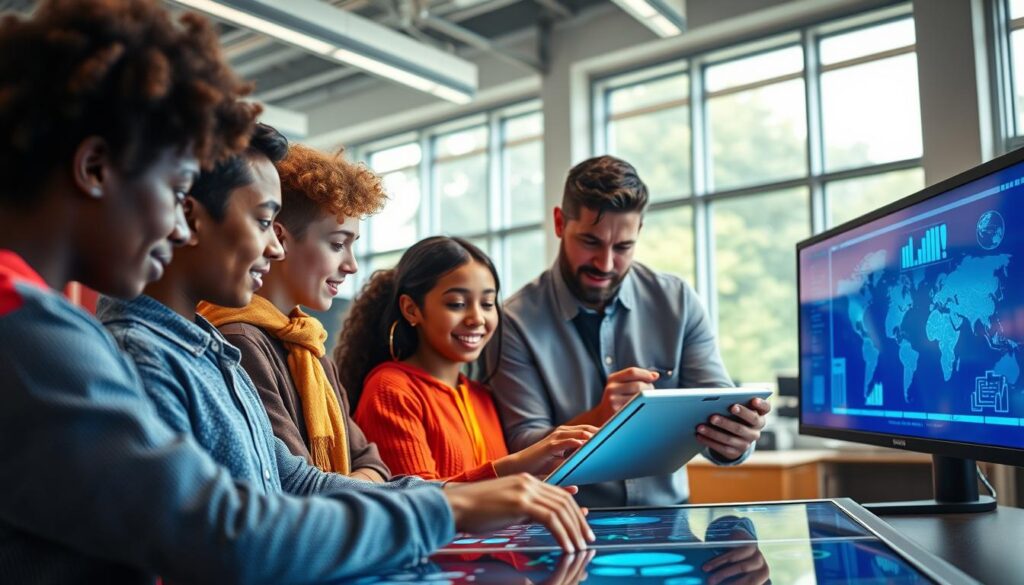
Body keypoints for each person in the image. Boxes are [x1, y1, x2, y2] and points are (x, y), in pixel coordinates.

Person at [0, 2, 588, 582]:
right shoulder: (30, 334)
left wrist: (463, 496)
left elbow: (289, 483)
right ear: (96, 167)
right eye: (175, 189)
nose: (178, 225)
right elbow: (228, 536)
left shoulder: (92, 332)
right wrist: (452, 505)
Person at [97, 123, 594, 565]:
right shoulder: (166, 352)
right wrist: (454, 505)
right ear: (186, 213)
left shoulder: (213, 350)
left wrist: (459, 499)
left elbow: (303, 481)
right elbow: (246, 537)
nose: (274, 246)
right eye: (265, 223)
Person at [484, 155, 772, 508]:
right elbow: (522, 447)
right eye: (590, 242)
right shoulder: (513, 322)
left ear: (639, 233)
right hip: (568, 526)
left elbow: (718, 408)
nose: (605, 264)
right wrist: (600, 418)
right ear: (560, 223)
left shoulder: (678, 301)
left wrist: (735, 441)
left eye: (623, 247)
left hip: (672, 523)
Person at [197, 143, 389, 482]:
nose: (352, 265)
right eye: (337, 244)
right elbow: (298, 485)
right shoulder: (239, 340)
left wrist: (355, 485)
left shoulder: (310, 348)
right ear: (280, 240)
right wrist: (361, 487)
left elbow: (373, 462)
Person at [335, 236, 597, 483]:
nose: (477, 319)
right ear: (411, 309)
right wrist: (516, 470)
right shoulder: (390, 390)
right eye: (457, 304)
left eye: (487, 303)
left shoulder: (483, 396)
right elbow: (417, 502)